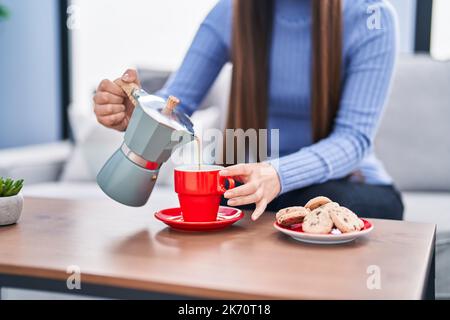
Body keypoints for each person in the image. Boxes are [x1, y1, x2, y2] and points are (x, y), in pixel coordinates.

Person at [93, 0, 403, 221]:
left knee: (291, 205)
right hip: (256, 185)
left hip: (349, 185)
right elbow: (176, 103)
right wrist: (138, 116)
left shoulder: (372, 16)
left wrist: (279, 174)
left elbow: (353, 139)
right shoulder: (229, 12)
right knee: (217, 203)